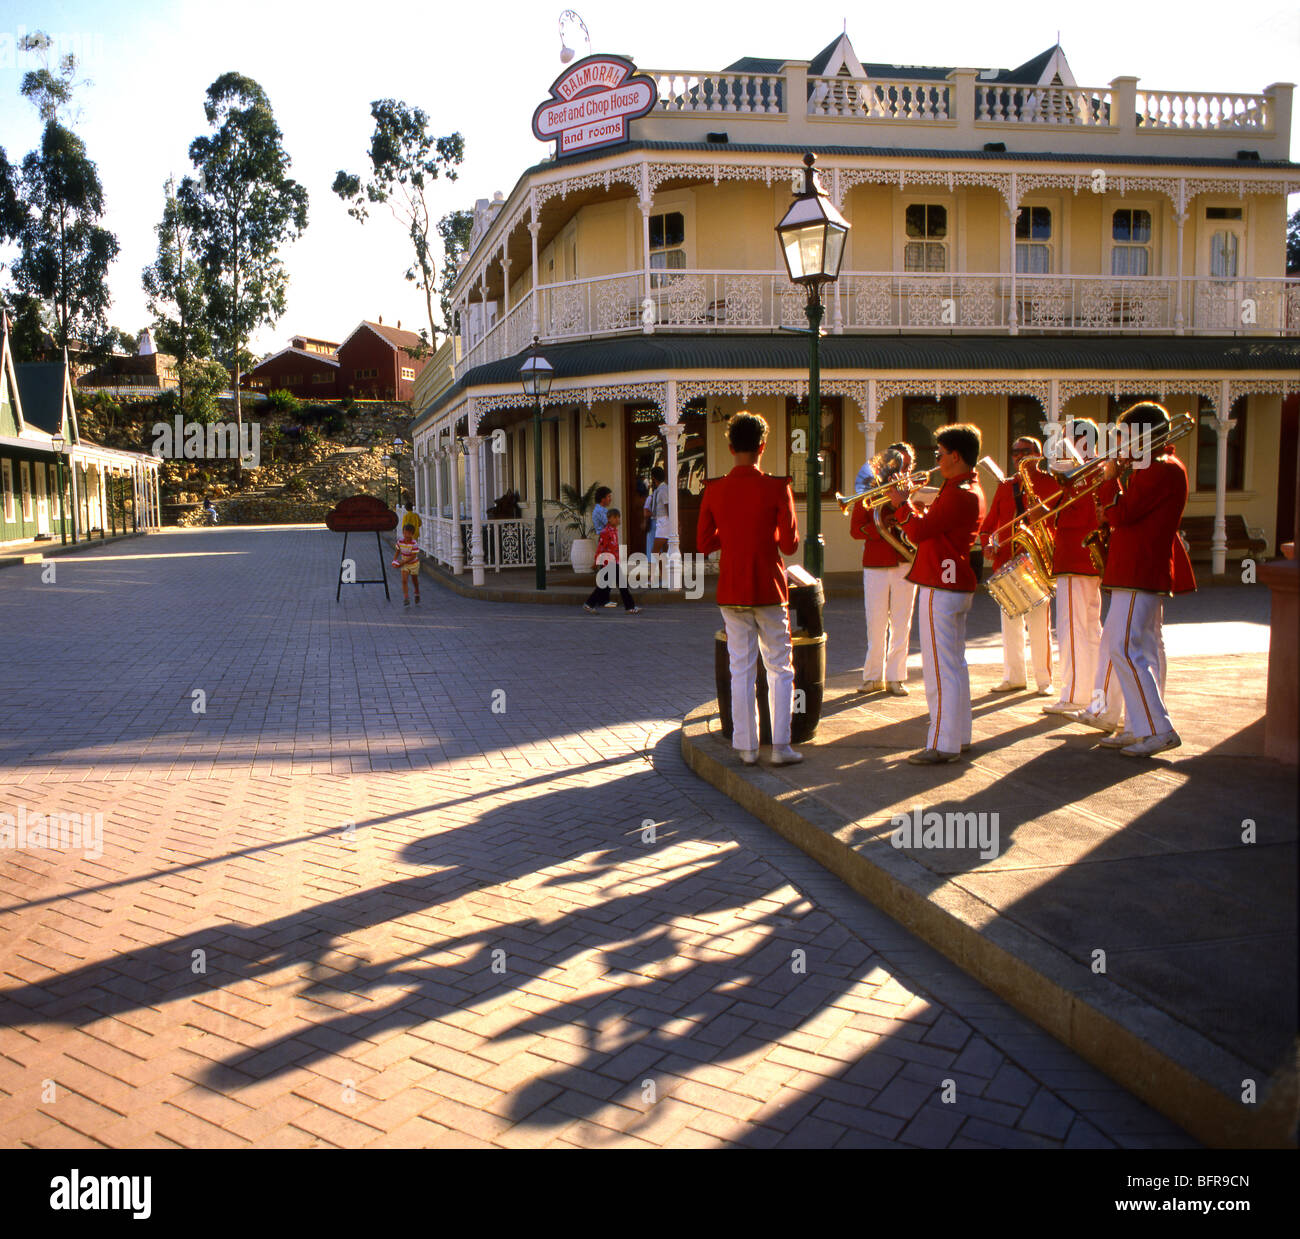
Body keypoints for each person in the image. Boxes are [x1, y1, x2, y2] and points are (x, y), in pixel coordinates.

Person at [1088, 404, 1195, 756]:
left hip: (1138, 570)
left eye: (1128, 436)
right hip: (1136, 570)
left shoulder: (1159, 469)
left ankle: (1157, 728)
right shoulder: (1156, 467)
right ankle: (1138, 727)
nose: (1122, 444)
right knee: (1141, 649)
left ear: (1144, 436)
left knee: (1123, 648)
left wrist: (1109, 480)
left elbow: (1122, 514)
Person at [697, 412, 801, 767]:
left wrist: (731, 533)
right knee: (780, 668)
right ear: (762, 446)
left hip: (732, 586)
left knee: (740, 668)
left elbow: (703, 543)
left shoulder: (714, 489)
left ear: (730, 447)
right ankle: (782, 746)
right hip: (769, 586)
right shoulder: (777, 486)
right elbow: (789, 545)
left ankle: (746, 746)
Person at [886, 425, 986, 764]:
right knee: (955, 665)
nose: (937, 461)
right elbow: (935, 525)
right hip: (953, 582)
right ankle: (959, 736)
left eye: (940, 455)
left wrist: (902, 505)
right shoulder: (966, 487)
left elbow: (918, 531)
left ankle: (943, 743)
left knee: (939, 669)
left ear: (955, 456)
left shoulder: (958, 492)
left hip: (940, 585)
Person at [1042, 418, 1116, 716]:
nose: (1060, 445)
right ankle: (1092, 691)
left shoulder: (1085, 471)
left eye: (1067, 438)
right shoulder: (1090, 470)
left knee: (1072, 629)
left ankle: (1074, 694)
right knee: (1089, 627)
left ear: (1081, 441)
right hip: (1083, 557)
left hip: (1076, 555)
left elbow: (1080, 513)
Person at [979, 436, 1059, 696]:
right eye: (1015, 452)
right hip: (1007, 561)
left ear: (1038, 454)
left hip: (1036, 561)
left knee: (1039, 625)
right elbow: (989, 525)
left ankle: (1044, 680)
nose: (1019, 456)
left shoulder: (1051, 484)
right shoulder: (1006, 486)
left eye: (1025, 451)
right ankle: (1013, 677)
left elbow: (1057, 523)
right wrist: (989, 544)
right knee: (1010, 623)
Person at [849, 443, 917, 696]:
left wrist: (903, 504)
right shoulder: (869, 491)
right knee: (875, 623)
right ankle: (873, 676)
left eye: (907, 466)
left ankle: (896, 677)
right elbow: (856, 530)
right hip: (876, 563)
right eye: (897, 465)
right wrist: (884, 526)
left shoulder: (916, 492)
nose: (902, 470)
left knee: (902, 623)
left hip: (905, 562)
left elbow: (920, 524)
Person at [583, 508, 640, 614]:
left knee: (603, 586)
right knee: (622, 585)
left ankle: (589, 604)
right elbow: (600, 548)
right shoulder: (605, 532)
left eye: (618, 517)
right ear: (609, 519)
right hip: (609, 563)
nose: (618, 520)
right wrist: (596, 562)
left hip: (614, 562)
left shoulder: (614, 531)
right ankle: (630, 607)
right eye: (615, 517)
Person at [391, 517, 422, 606]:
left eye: (408, 533)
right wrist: (395, 559)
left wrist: (402, 562)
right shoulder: (400, 542)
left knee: (414, 580)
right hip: (404, 564)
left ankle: (416, 592)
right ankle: (406, 597)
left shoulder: (414, 543)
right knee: (404, 580)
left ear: (412, 534)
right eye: (404, 533)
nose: (406, 535)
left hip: (413, 564)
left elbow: (413, 556)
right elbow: (397, 550)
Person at [648, 466, 670, 560]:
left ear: (654, 478)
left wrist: (674, 522)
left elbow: (668, 506)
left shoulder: (664, 489)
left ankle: (662, 573)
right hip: (660, 521)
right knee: (663, 550)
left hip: (664, 521)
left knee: (655, 551)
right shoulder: (659, 490)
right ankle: (664, 573)